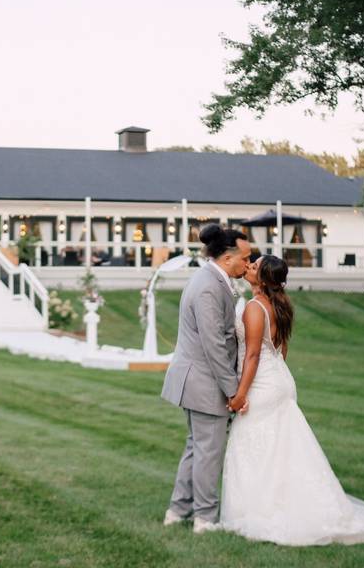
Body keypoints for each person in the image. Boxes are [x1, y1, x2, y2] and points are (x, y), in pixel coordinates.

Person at [220, 255, 364, 544]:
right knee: (281, 446)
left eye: (255, 266)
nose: (249, 267)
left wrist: (240, 394)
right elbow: (281, 349)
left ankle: (262, 510)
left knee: (256, 443)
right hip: (279, 379)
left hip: (262, 384)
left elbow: (253, 356)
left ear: (265, 279)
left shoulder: (255, 309)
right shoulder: (278, 306)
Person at [160, 224, 252, 534]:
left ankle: (178, 510)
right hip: (203, 381)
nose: (249, 264)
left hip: (195, 378)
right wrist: (233, 391)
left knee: (196, 448)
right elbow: (214, 344)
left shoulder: (212, 279)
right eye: (246, 258)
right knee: (208, 452)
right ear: (228, 258)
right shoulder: (210, 287)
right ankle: (205, 518)